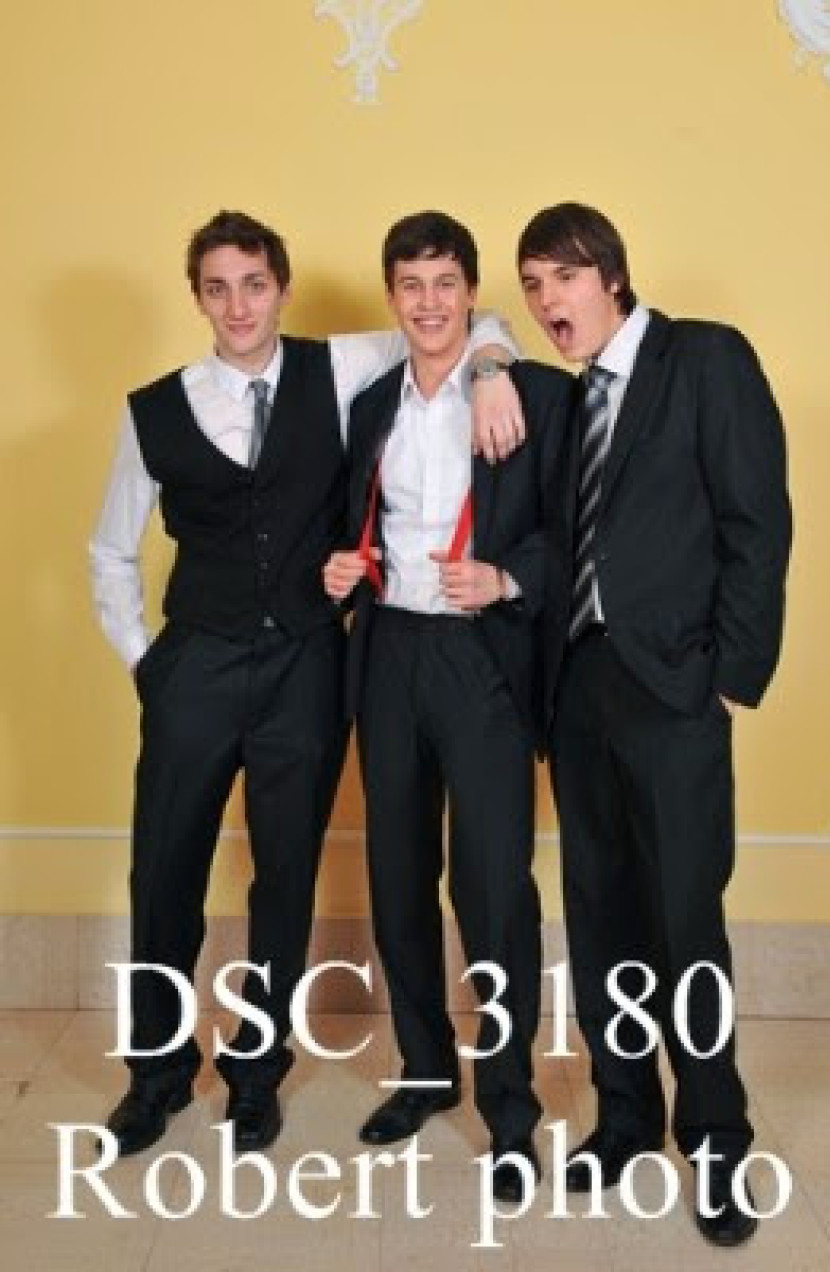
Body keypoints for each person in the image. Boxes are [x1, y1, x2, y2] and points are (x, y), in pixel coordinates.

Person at [89, 209, 523, 1157]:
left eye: (254, 284)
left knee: (284, 880)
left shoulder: (342, 365)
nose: (238, 305)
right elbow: (109, 551)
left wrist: (492, 368)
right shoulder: (153, 409)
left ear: (281, 289)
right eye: (217, 288)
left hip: (307, 668)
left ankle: (256, 1076)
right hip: (195, 666)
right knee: (162, 875)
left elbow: (459, 323)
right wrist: (147, 664)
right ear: (198, 298)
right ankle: (155, 1076)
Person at [517, 201, 791, 1245]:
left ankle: (715, 1140)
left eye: (561, 277)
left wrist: (729, 681)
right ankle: (626, 1116)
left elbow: (757, 523)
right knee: (600, 920)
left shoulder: (704, 359)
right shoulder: (569, 396)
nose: (545, 300)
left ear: (610, 275)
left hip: (676, 692)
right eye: (531, 285)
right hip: (581, 688)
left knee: (684, 925)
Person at [323, 210, 573, 1203]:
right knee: (396, 875)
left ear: (472, 293)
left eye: (444, 283)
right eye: (410, 285)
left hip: (482, 658)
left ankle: (510, 1112)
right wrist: (336, 568)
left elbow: (570, 534)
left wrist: (507, 579)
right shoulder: (367, 403)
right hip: (387, 651)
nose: (428, 303)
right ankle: (426, 1071)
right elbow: (342, 516)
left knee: (493, 887)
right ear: (392, 296)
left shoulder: (529, 395)